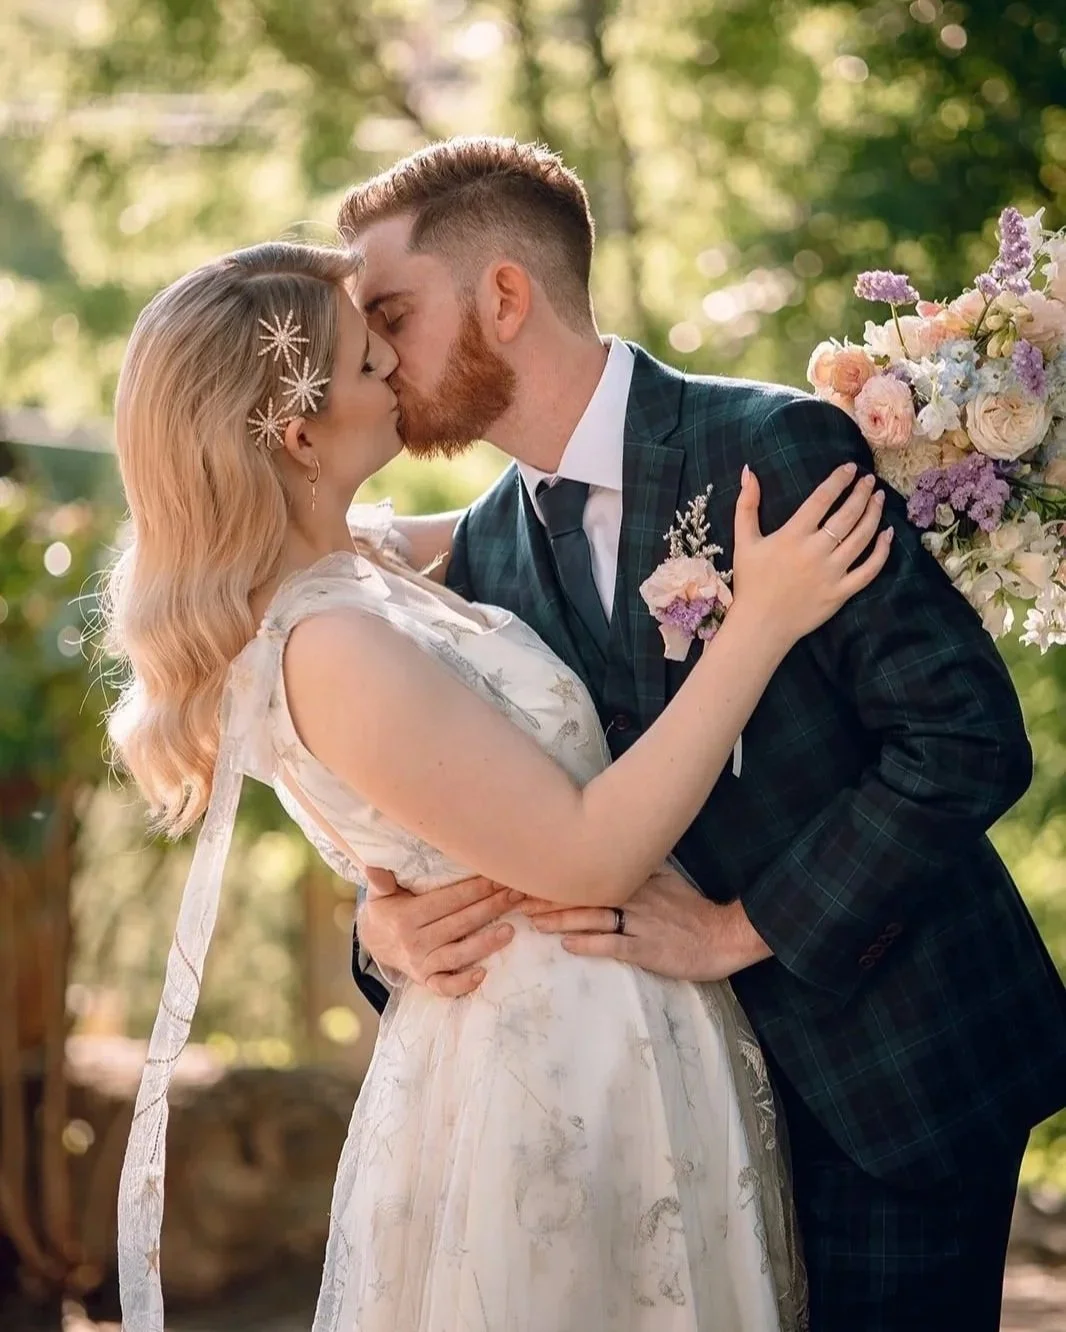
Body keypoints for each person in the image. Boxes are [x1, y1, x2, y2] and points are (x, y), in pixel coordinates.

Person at [337, 136, 1066, 1332]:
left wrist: (741, 929)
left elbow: (963, 738)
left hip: (887, 1069)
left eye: (391, 313)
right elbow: (474, 811)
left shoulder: (769, 447)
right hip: (670, 1122)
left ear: (505, 297)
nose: (370, 354)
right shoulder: (484, 552)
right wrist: (385, 938)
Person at [106, 239, 891, 1331]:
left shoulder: (364, 565)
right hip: (548, 1075)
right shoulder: (327, 640)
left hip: (606, 1029)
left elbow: (571, 502)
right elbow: (586, 854)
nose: (390, 359)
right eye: (362, 359)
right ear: (295, 435)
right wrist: (756, 625)